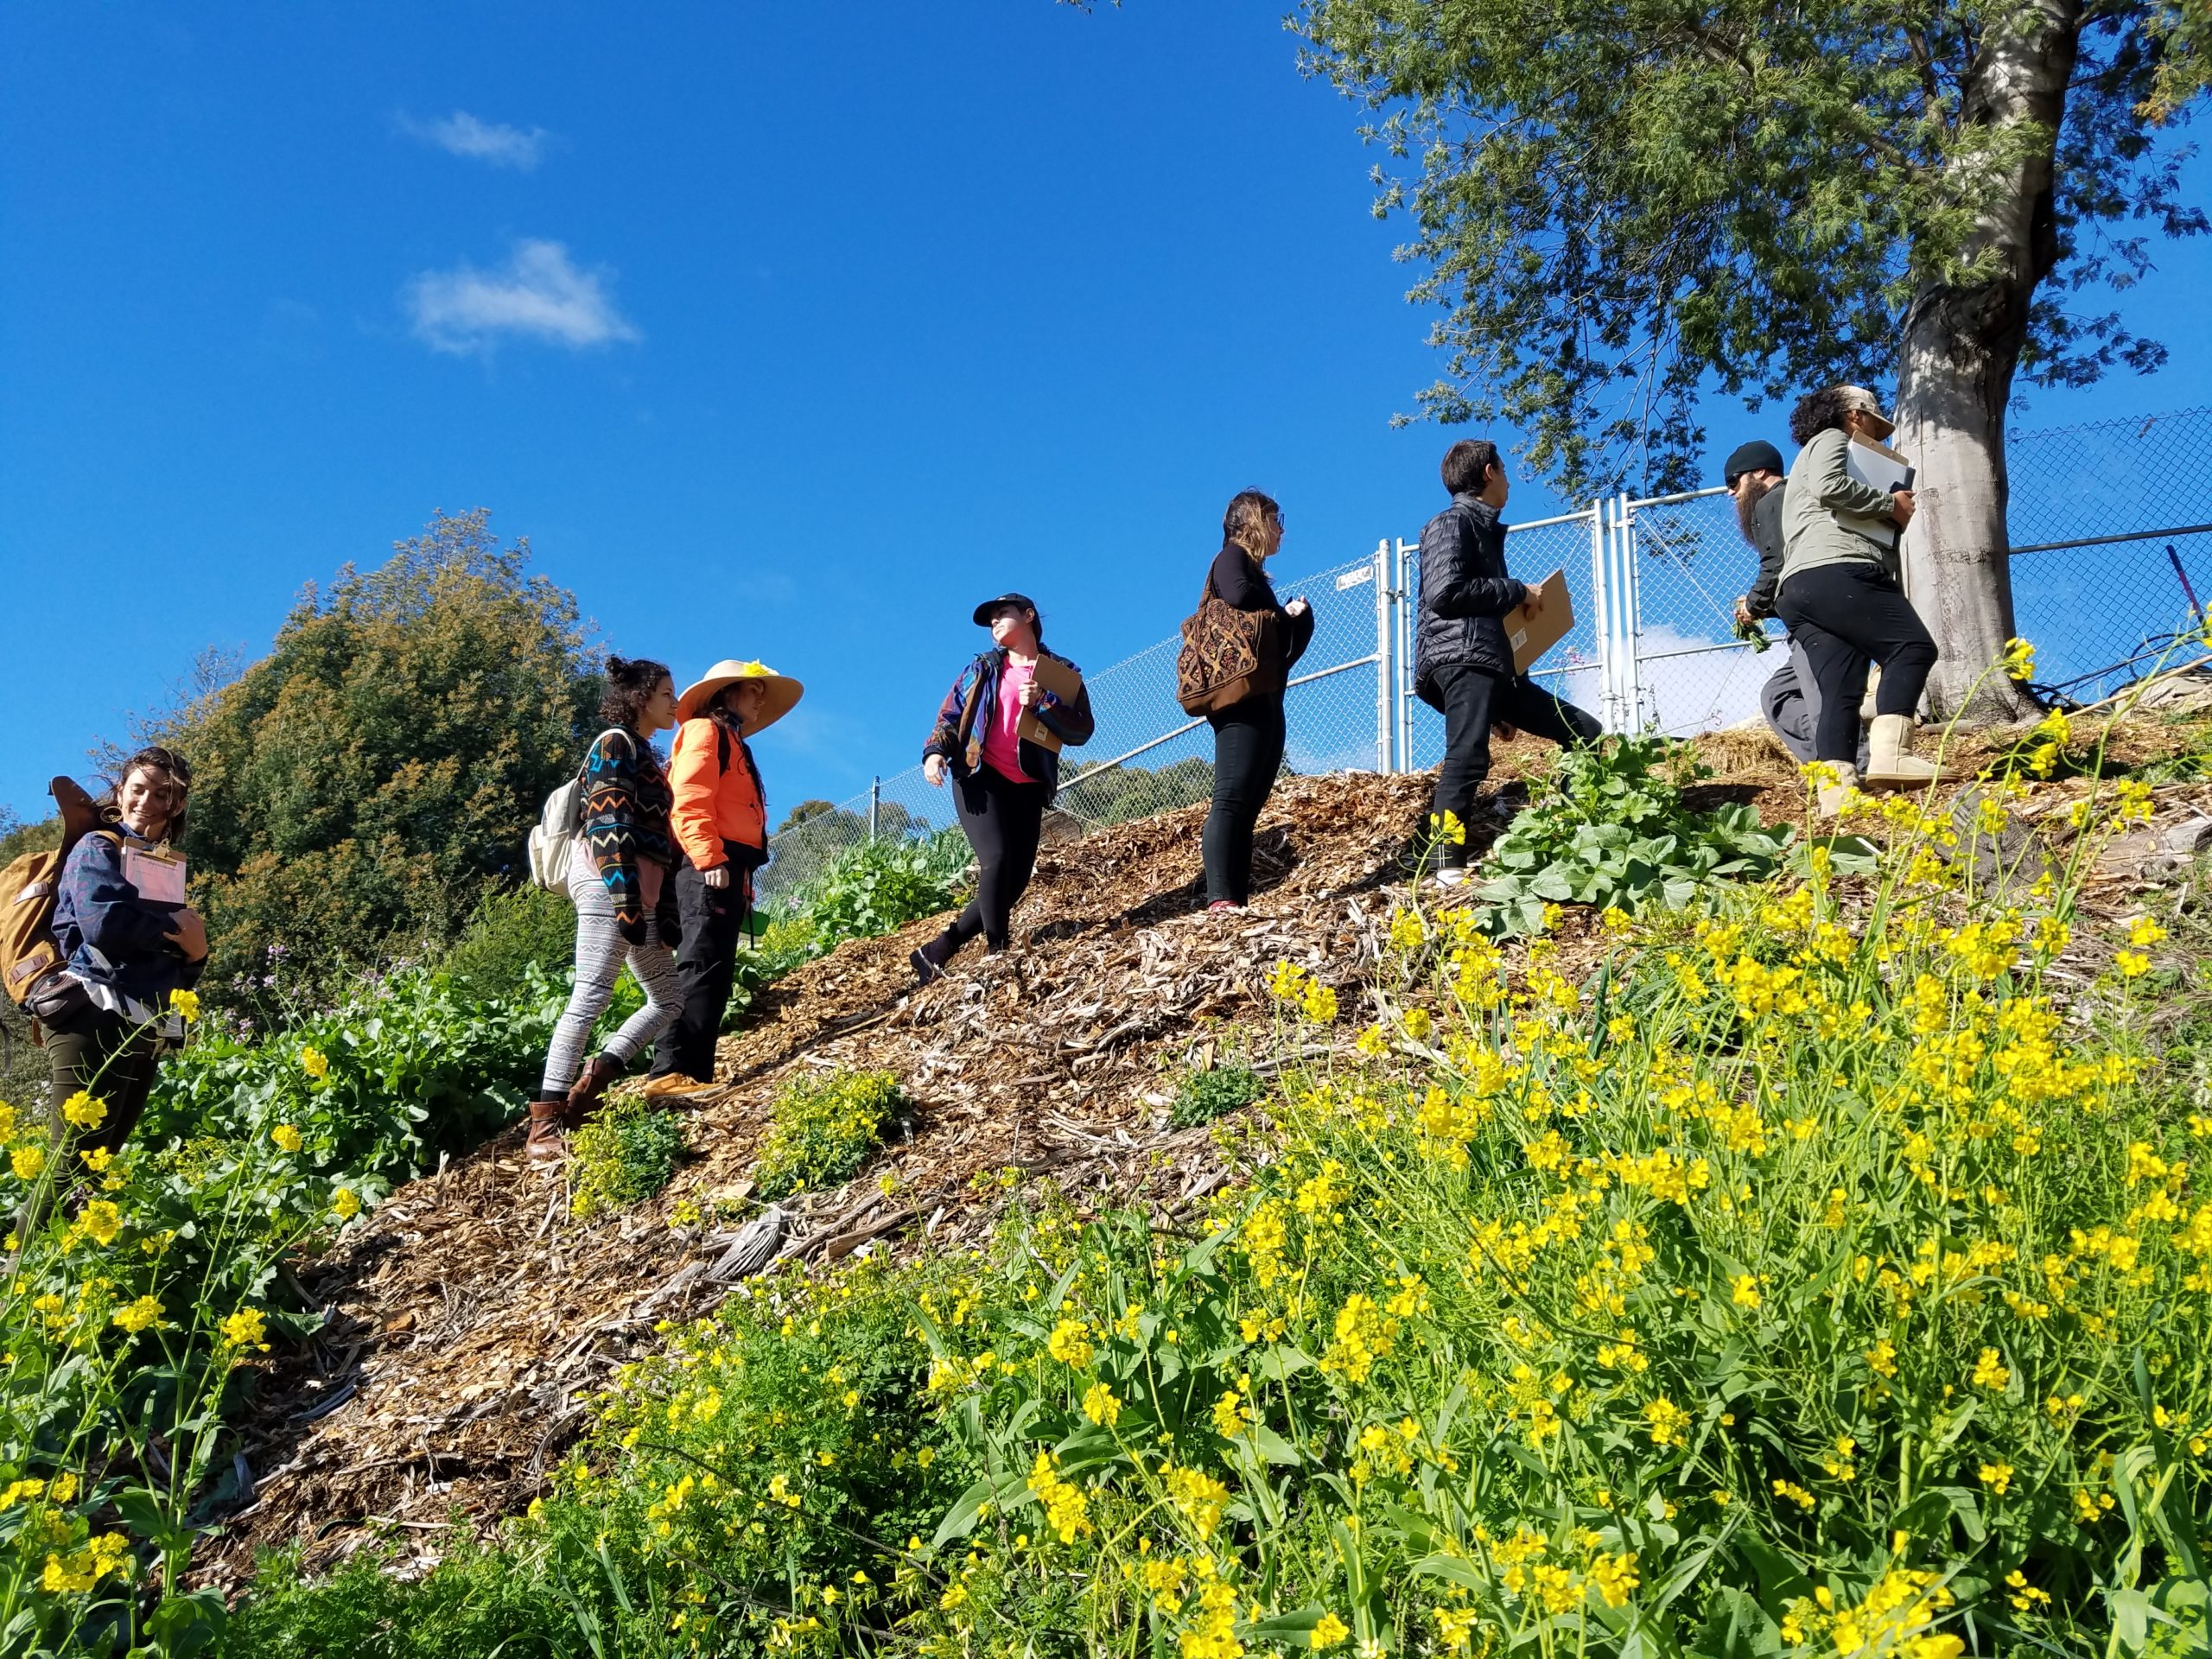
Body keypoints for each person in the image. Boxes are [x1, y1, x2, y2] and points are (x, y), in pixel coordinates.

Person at [1414, 439, 1601, 884]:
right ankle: (1445, 865)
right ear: (1487, 473)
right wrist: (1518, 590)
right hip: (1464, 659)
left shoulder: (1481, 529)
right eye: (1505, 468)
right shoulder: (1451, 523)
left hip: (1494, 666)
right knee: (1468, 755)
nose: (1509, 479)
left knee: (1585, 732)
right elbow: (1444, 593)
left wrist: (1502, 701)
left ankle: (1573, 833)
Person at [527, 657, 686, 1163]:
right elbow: (607, 821)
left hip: (640, 890)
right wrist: (625, 898)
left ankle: (586, 1091)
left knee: (668, 998)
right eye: (666, 694)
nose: (675, 703)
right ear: (640, 697)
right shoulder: (614, 743)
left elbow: (659, 838)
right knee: (591, 993)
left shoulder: (642, 751)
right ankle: (544, 1124)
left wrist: (658, 908)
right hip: (608, 883)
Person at [1774, 385, 1951, 814]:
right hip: (1839, 570)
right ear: (1854, 415)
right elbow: (1831, 486)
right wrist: (1889, 503)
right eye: (1875, 425)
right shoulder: (1831, 439)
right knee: (1912, 647)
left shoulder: (1802, 465)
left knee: (1841, 690)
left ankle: (1836, 793)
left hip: (1799, 587)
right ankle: (1893, 755)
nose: (1878, 437)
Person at [639, 660, 802, 1099]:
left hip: (724, 868)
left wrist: (738, 880)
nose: (759, 699)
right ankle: (669, 1074)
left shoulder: (729, 739)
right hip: (706, 865)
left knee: (713, 968)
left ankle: (694, 1076)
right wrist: (710, 859)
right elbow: (689, 800)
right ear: (727, 693)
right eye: (753, 690)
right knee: (699, 961)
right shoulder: (705, 733)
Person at [912, 594, 1095, 982]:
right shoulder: (983, 669)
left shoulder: (1061, 672)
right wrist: (934, 753)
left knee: (1014, 881)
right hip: (980, 776)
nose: (994, 622)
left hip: (1027, 786)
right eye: (990, 619)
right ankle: (999, 953)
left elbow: (1081, 730)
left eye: (1002, 615)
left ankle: (938, 949)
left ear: (1028, 616)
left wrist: (1044, 702)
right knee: (995, 859)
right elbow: (950, 716)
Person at [44, 747, 208, 1166]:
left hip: (144, 1023)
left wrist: (196, 957)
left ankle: (73, 1235)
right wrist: (177, 936)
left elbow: (167, 963)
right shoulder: (97, 847)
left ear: (178, 804)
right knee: (68, 1167)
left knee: (99, 1167)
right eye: (138, 790)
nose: (147, 803)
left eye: (162, 795)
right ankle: (27, 1237)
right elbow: (105, 926)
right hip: (93, 1012)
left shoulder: (165, 865)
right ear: (119, 793)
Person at [1199, 491, 1314, 912]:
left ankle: (1234, 895)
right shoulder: (1231, 558)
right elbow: (1238, 595)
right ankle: (1218, 897)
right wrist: (1284, 613)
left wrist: (1297, 622)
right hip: (1239, 700)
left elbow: (1278, 655)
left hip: (1264, 696)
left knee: (1249, 802)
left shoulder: (1256, 574)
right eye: (1274, 518)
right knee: (1231, 796)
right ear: (1252, 521)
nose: (1281, 527)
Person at [1725, 439, 1869, 773]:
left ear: (1759, 472)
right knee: (1778, 697)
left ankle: (1855, 768)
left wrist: (1755, 605)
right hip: (1824, 612)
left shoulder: (1775, 501)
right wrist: (1766, 605)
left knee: (1821, 697)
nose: (1731, 493)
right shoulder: (1800, 501)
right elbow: (1797, 572)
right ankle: (1829, 758)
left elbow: (1776, 563)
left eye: (1734, 481)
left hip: (1821, 624)